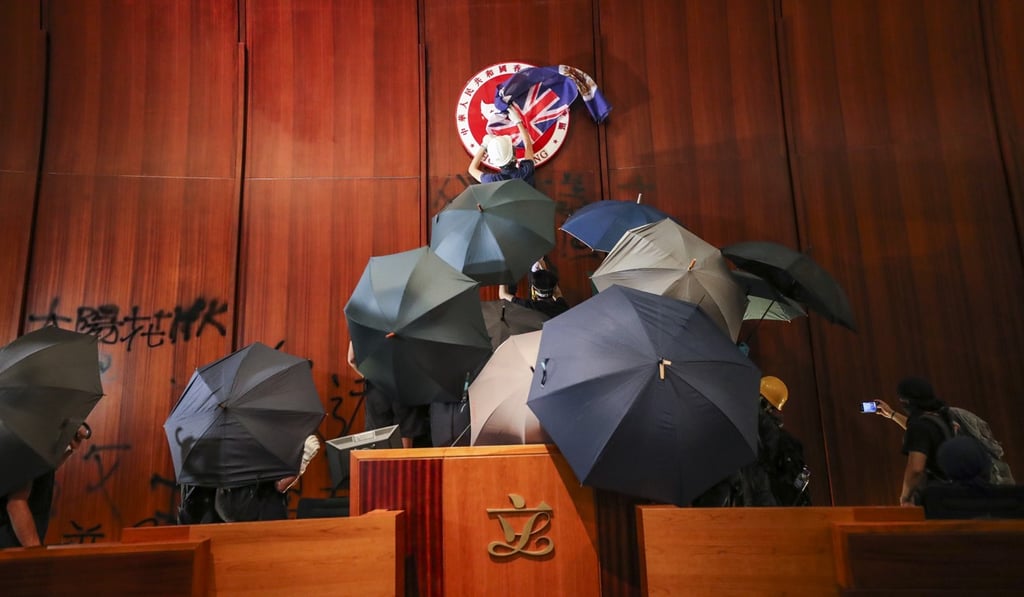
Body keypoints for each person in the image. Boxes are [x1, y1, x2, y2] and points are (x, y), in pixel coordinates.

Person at [178, 434, 320, 524]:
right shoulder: (266, 438)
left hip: (226, 516)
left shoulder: (220, 438)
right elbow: (280, 485)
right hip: (257, 518)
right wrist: (304, 459)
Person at [1, 422, 92, 548]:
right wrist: (36, 552)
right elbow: (16, 503)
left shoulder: (35, 439)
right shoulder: (27, 439)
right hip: (12, 547)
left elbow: (42, 472)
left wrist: (69, 450)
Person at [879, 376, 955, 506]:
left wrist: (905, 497)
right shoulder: (941, 416)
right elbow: (920, 430)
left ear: (906, 401)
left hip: (935, 496)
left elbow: (916, 468)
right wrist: (891, 414)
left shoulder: (920, 426)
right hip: (952, 490)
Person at [348, 341, 428, 449]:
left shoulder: (368, 324)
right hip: (407, 383)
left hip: (377, 386)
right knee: (405, 445)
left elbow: (352, 359)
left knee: (377, 440)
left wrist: (371, 376)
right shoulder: (410, 324)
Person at [468, 106, 536, 186]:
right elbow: (528, 146)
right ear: (513, 154)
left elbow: (472, 169)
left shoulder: (492, 180)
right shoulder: (526, 172)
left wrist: (484, 145)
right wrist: (518, 122)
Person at [498, 258, 570, 319]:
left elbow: (503, 295)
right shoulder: (562, 307)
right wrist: (544, 272)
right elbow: (557, 292)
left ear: (534, 290)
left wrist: (505, 267)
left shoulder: (528, 306)